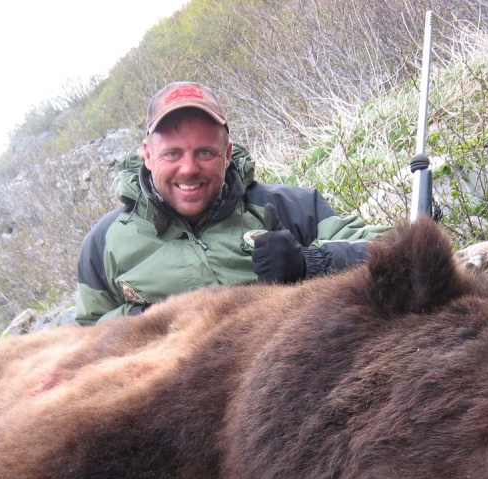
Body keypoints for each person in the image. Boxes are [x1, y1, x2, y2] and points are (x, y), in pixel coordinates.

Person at [74, 81, 387, 325]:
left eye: (205, 152)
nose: (188, 169)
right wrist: (142, 321)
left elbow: (391, 248)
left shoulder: (289, 207)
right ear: (148, 155)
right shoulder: (104, 243)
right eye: (173, 153)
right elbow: (85, 337)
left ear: (226, 154)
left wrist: (310, 263)